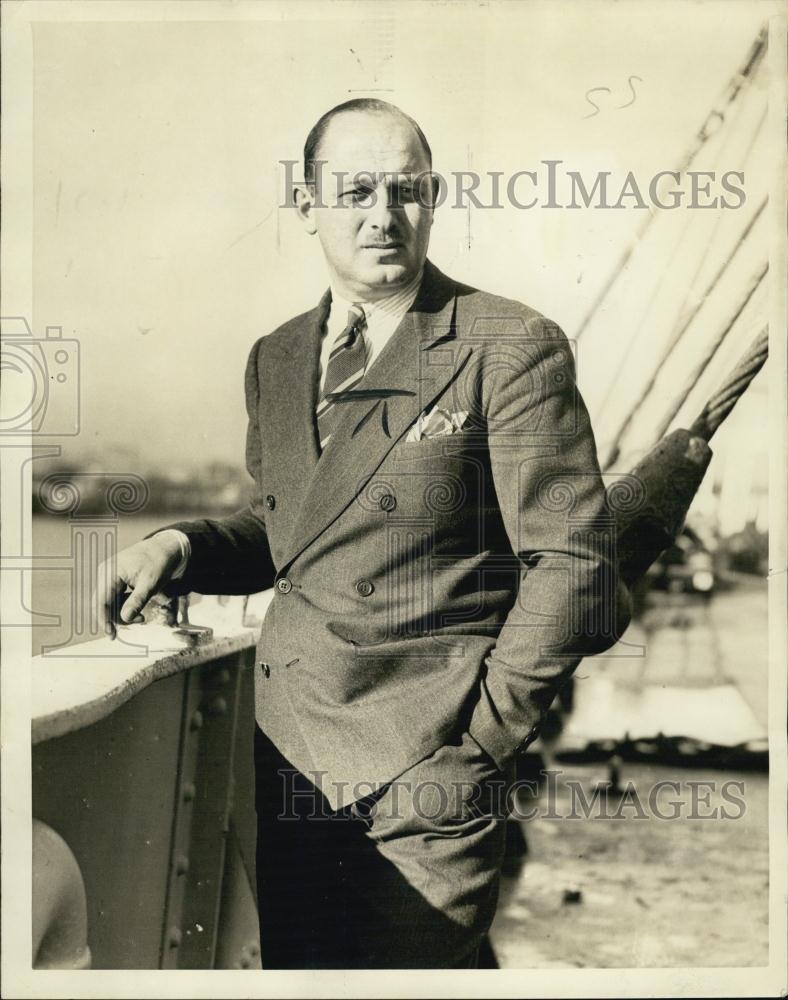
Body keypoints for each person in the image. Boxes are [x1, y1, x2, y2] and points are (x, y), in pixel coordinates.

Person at [95, 98, 629, 969]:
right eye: (355, 191)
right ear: (307, 206)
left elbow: (574, 563)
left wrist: (482, 742)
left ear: (435, 196)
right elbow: (292, 533)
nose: (383, 215)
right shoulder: (275, 357)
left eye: (406, 190)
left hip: (429, 778)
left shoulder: (507, 344)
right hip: (292, 762)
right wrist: (182, 546)